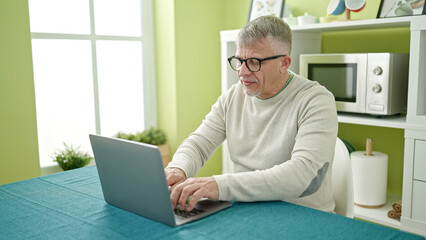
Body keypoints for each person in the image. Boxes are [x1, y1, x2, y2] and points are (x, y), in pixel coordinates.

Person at [165, 15, 338, 213]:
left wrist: (217, 185)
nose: (242, 72)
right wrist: (177, 168)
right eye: (239, 61)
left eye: (254, 62)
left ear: (284, 63)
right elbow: (199, 143)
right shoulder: (233, 96)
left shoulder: (316, 100)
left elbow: (300, 174)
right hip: (246, 209)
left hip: (302, 214)